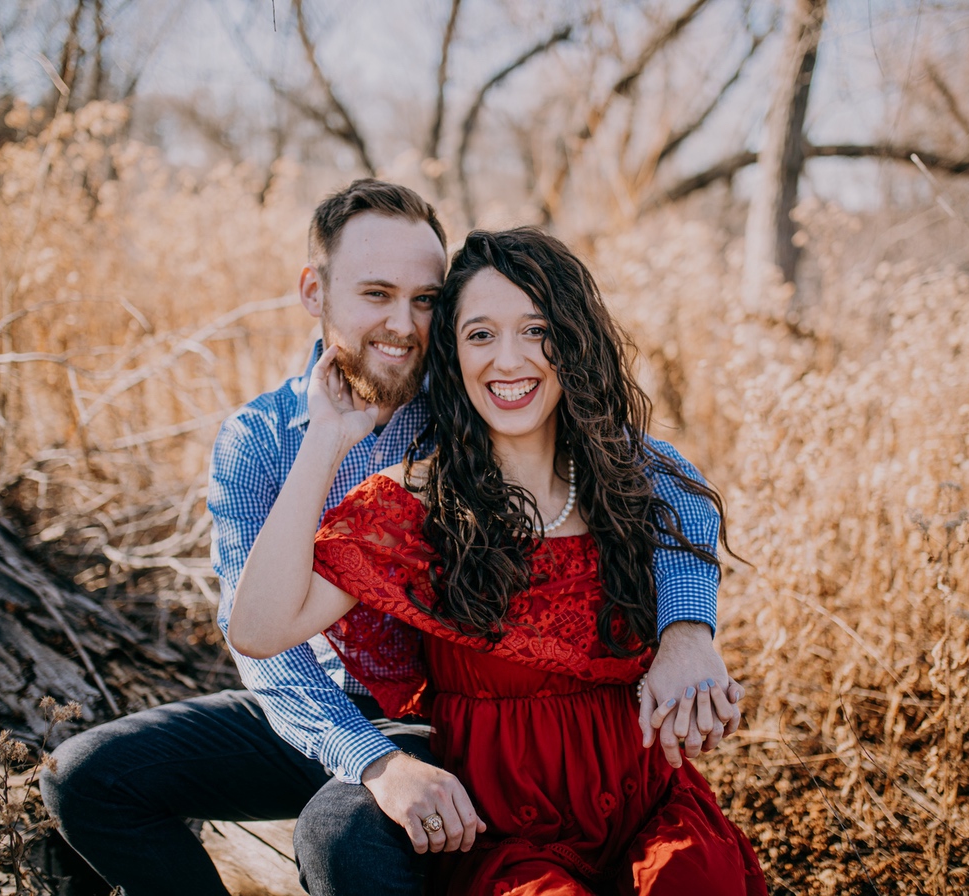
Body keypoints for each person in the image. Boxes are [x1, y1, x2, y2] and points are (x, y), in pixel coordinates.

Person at [42, 181, 743, 896]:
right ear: (315, 290)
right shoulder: (256, 442)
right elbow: (263, 643)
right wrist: (371, 759)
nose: (404, 325)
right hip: (319, 705)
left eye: (426, 300)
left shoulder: (478, 391)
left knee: (338, 833)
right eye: (376, 294)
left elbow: (658, 479)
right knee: (89, 778)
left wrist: (687, 627)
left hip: (443, 713)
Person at [228, 227, 766, 894]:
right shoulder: (416, 503)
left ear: (573, 342)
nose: (508, 361)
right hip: (511, 835)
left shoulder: (627, 481)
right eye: (481, 335)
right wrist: (328, 440)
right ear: (451, 356)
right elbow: (256, 628)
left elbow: (689, 498)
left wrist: (689, 635)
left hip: (649, 809)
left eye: (536, 331)